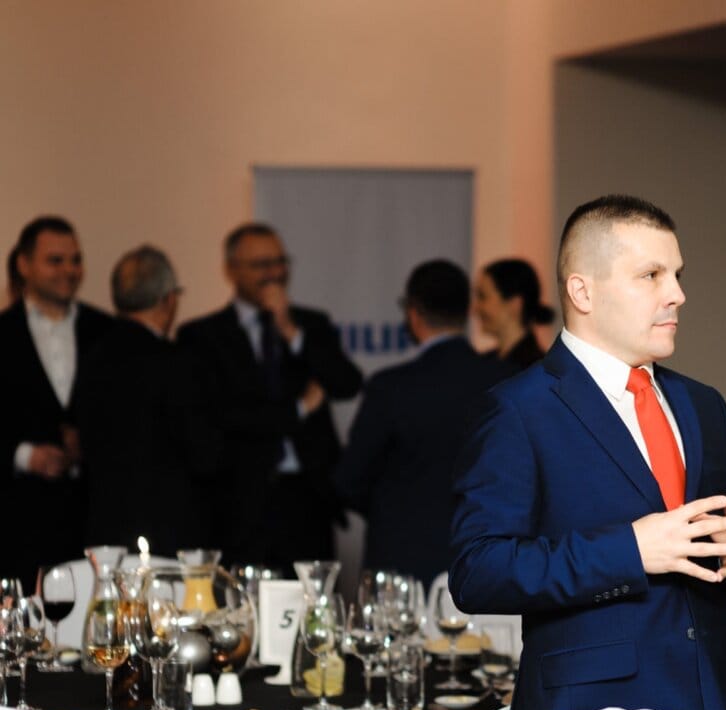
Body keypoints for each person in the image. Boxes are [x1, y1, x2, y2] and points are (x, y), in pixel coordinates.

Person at [450, 194, 726, 710]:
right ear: (582, 291)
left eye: (677, 275)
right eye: (651, 275)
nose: (677, 294)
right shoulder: (519, 409)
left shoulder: (703, 404)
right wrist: (631, 552)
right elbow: (478, 571)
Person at [176, 222, 363, 571]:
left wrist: (291, 331)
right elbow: (223, 415)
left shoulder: (311, 324)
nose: (274, 274)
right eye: (261, 265)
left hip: (308, 500)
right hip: (239, 502)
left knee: (312, 610)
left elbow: (347, 382)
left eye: (280, 262)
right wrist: (299, 408)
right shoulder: (202, 336)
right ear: (231, 269)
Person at [335, 259, 515, 588]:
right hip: (483, 566)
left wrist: (393, 509)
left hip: (399, 568)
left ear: (413, 314)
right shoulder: (505, 381)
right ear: (466, 311)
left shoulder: (391, 387)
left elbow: (349, 481)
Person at [75, 245, 217, 554]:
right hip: (169, 535)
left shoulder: (92, 358)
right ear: (168, 300)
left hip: (104, 533)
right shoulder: (177, 363)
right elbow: (204, 453)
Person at [0, 216, 113, 590]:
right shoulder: (3, 332)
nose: (69, 270)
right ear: (24, 264)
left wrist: (92, 442)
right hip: (18, 522)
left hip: (93, 520)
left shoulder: (105, 331)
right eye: (56, 260)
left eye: (75, 260)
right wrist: (25, 455)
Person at [472, 257, 554, 369]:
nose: (475, 308)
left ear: (514, 304)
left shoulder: (534, 369)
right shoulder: (485, 362)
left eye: (483, 297)